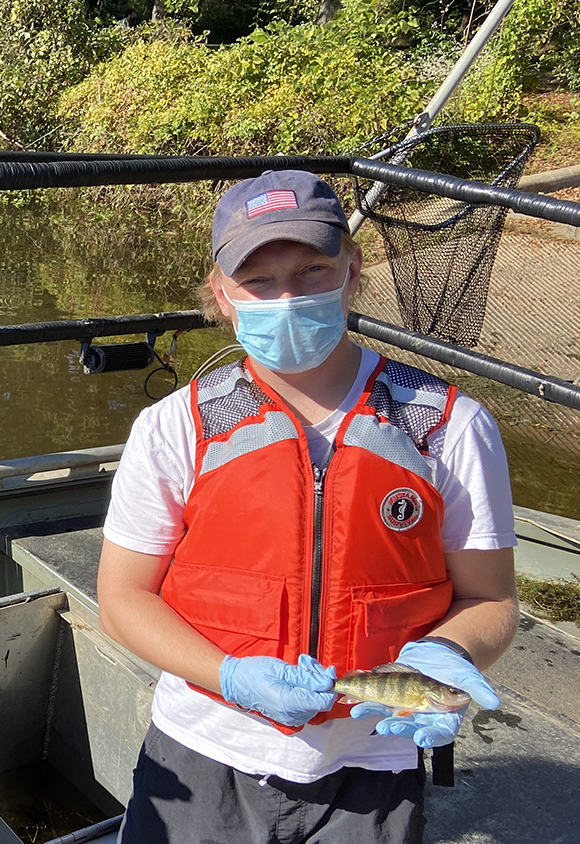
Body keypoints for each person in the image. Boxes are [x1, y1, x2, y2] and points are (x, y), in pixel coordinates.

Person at [96, 170, 519, 843]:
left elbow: (491, 600)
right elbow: (122, 600)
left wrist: (446, 653)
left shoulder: (448, 425)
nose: (287, 297)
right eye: (258, 281)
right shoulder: (175, 427)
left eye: (312, 269)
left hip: (376, 758)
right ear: (221, 295)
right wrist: (230, 676)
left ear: (353, 272)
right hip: (203, 747)